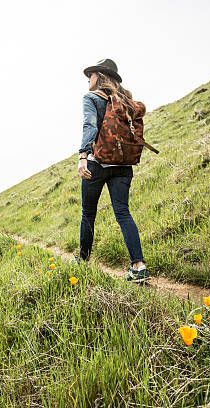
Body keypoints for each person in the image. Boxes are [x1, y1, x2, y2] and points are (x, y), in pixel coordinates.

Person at [77, 58, 148, 283]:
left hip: (97, 164)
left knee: (88, 213)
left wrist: (82, 157)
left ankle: (83, 260)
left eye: (92, 75)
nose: (89, 79)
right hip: (123, 166)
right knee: (123, 213)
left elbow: (90, 125)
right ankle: (139, 266)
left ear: (100, 76)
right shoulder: (125, 101)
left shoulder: (91, 98)